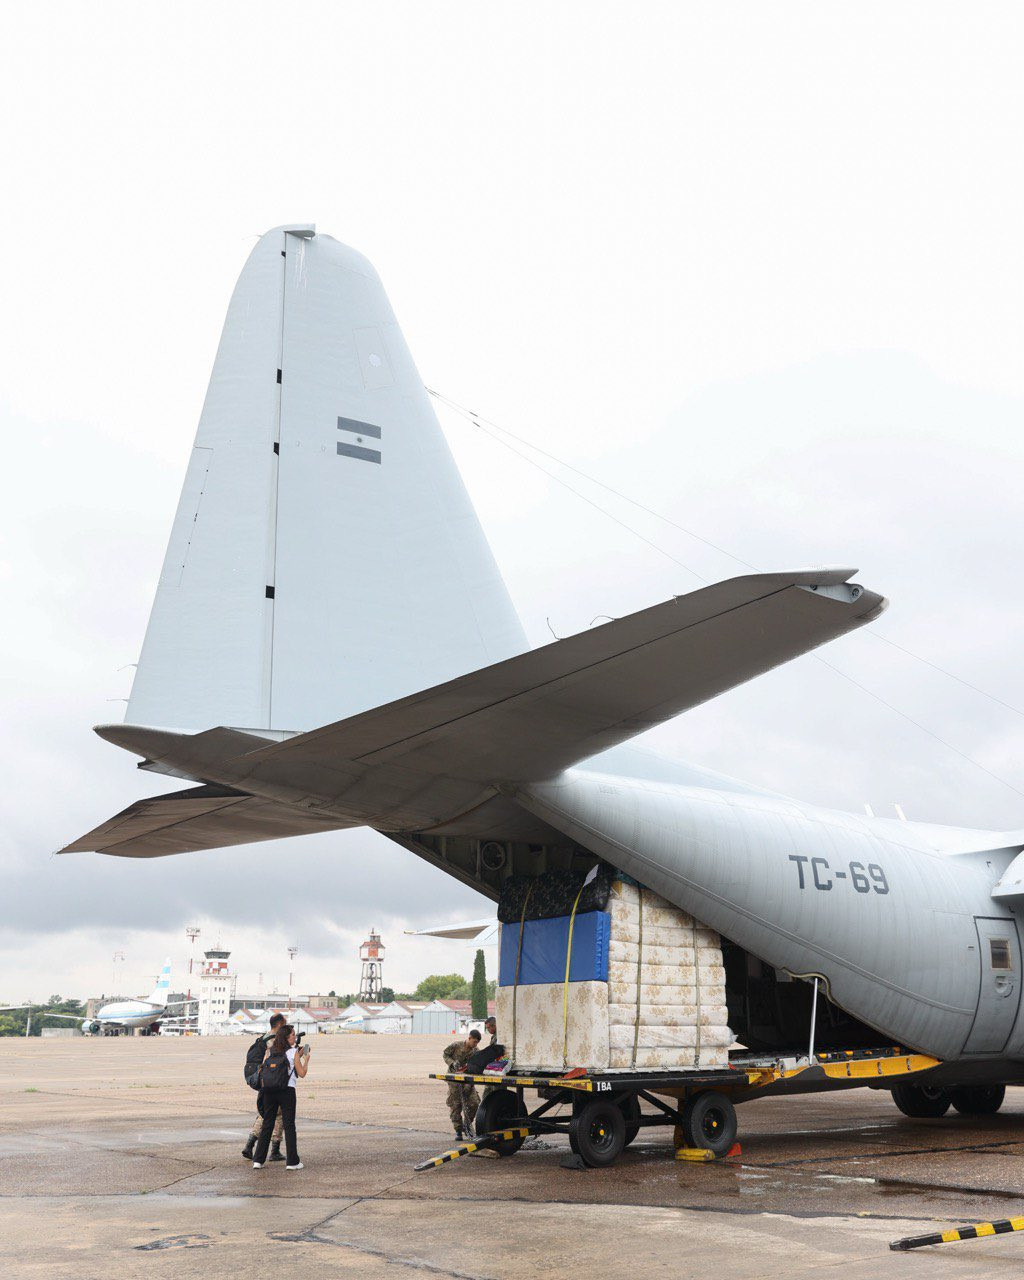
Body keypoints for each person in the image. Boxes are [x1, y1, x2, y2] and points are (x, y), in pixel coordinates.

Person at [252, 1023, 310, 1170]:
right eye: (292, 1035)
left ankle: (258, 1160)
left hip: (269, 1091)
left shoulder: (269, 1051)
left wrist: (298, 1054)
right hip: (287, 1091)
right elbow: (301, 1073)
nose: (295, 1037)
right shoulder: (293, 1053)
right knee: (289, 1125)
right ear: (286, 1037)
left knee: (267, 1124)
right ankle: (292, 1162)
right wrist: (306, 1060)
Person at [242, 1012, 286, 1161]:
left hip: (264, 1081)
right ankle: (274, 1149)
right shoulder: (275, 1041)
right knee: (277, 1114)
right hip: (272, 1081)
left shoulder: (264, 1037)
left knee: (266, 1112)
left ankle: (250, 1144)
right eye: (285, 1023)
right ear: (279, 1024)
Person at [443, 1029, 481, 1141]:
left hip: (468, 1080)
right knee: (456, 1105)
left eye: (477, 1043)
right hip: (454, 1079)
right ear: (469, 1038)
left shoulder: (476, 1051)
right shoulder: (456, 1045)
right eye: (474, 1041)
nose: (475, 1044)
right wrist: (452, 1063)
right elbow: (445, 1054)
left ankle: (467, 1125)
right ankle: (458, 1130)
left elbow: (477, 1065)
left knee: (474, 1103)